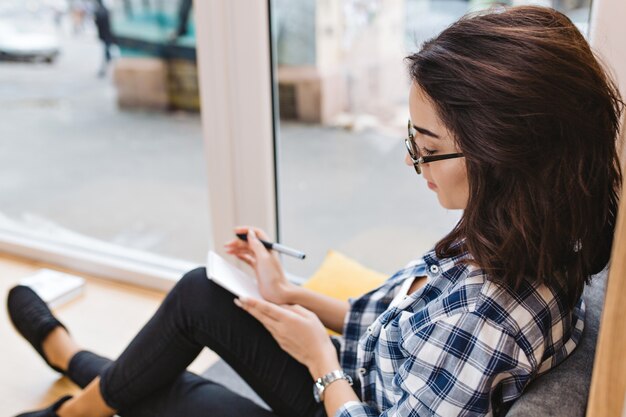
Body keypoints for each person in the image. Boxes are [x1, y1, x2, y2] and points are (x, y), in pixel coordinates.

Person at [7, 5, 623, 417]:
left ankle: (68, 376)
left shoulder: (486, 318)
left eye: (429, 148)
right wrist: (290, 294)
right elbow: (394, 326)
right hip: (356, 378)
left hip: (344, 398)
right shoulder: (514, 235)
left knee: (174, 393)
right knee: (202, 296)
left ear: (507, 157)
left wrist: (319, 359)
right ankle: (72, 368)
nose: (414, 163)